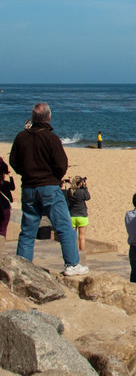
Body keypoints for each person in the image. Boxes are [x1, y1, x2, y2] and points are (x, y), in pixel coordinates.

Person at [9, 103, 88, 276]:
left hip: (29, 187)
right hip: (48, 187)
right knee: (64, 226)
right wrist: (54, 177)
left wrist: (26, 173)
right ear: (48, 118)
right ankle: (72, 264)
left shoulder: (21, 137)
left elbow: (14, 161)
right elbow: (62, 164)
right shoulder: (51, 138)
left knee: (28, 230)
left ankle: (23, 266)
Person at [64, 176, 91, 252]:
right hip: (82, 216)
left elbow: (68, 192)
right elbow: (88, 197)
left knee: (73, 237)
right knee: (81, 237)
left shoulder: (70, 191)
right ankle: (82, 254)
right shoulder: (82, 192)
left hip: (72, 216)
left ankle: (73, 253)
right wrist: (85, 188)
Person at [0, 157, 15, 240]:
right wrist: (11, 176)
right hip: (5, 207)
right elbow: (13, 187)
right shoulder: (5, 184)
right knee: (3, 229)